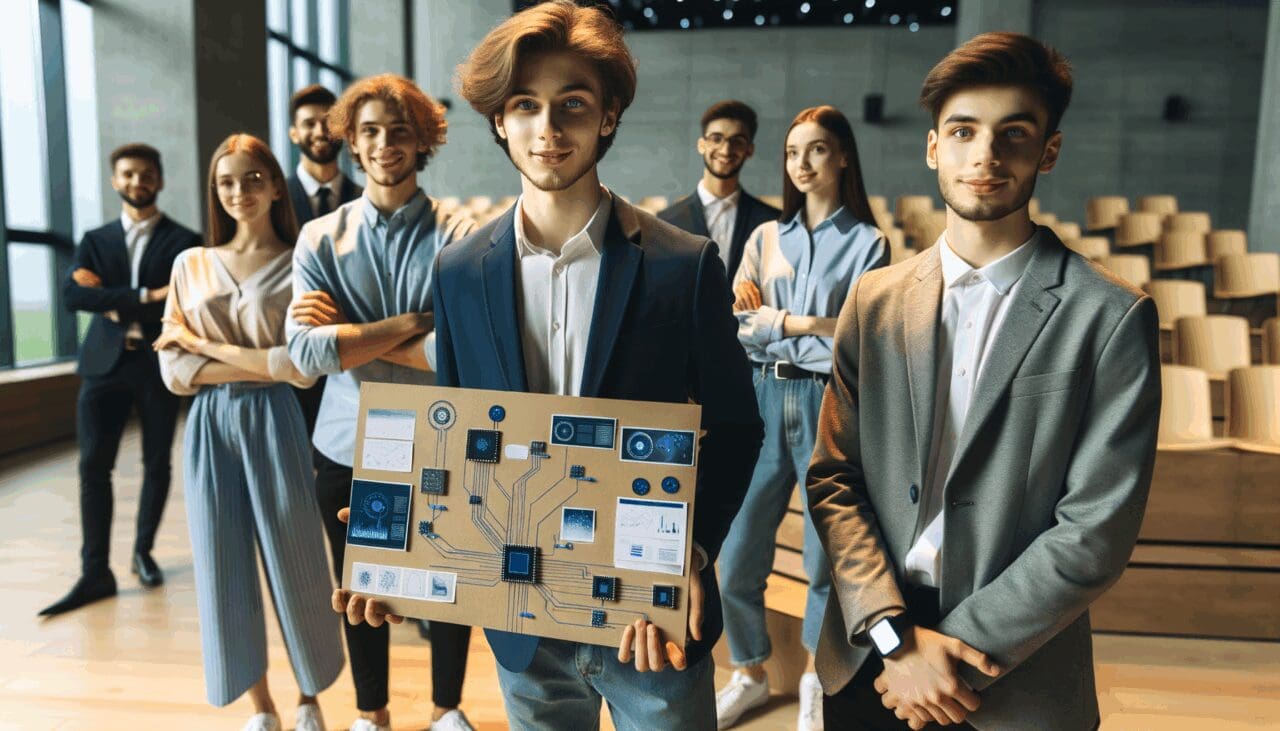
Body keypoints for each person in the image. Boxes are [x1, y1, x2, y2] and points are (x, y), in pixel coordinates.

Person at [335, 3, 763, 729]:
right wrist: (401, 546)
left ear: (608, 116)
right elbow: (459, 428)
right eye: (525, 106)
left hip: (645, 624)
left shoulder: (683, 265)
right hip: (520, 621)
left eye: (573, 104)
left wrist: (689, 552)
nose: (548, 128)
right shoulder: (461, 270)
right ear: (500, 121)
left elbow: (736, 425)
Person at [806, 32, 1161, 730]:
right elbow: (833, 479)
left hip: (1014, 671)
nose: (985, 156)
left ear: (1047, 152)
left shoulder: (1111, 316)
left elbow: (1095, 528)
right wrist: (895, 641)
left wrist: (948, 659)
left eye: (1014, 134)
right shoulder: (873, 301)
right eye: (964, 131)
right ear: (934, 146)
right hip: (873, 651)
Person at [285, 73, 477, 731]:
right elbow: (306, 357)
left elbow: (460, 353)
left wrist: (352, 336)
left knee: (445, 582)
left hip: (439, 439)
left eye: (400, 130)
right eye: (369, 130)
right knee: (358, 585)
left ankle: (448, 708)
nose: (385, 142)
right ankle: (372, 713)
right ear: (350, 141)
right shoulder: (318, 239)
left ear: (423, 138)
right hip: (347, 440)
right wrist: (410, 323)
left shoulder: (463, 232)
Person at [155, 133, 342, 731]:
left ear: (276, 185)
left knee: (298, 560)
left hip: (277, 421)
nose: (240, 192)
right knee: (220, 562)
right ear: (216, 191)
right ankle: (260, 707)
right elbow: (174, 374)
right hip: (210, 427)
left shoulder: (301, 262)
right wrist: (263, 360)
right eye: (227, 182)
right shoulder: (191, 264)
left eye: (253, 179)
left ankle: (310, 698)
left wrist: (204, 345)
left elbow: (302, 370)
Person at [719, 105, 888, 731]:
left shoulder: (869, 243)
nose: (803, 163)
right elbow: (742, 332)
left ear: (843, 156)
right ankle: (750, 672)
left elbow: (854, 336)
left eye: (817, 149)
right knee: (736, 556)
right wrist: (788, 330)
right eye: (793, 153)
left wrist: (783, 323)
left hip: (827, 402)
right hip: (764, 398)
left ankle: (817, 679)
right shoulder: (764, 238)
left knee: (823, 562)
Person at [40, 144, 201, 617]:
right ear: (116, 181)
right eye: (128, 174)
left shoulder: (185, 241)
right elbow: (72, 295)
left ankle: (143, 552)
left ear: (160, 180)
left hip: (156, 363)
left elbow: (185, 300)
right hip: (104, 366)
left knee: (157, 462)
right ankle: (95, 572)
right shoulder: (95, 239)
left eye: (146, 174)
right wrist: (146, 294)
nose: (137, 182)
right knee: (93, 466)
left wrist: (110, 299)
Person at [284, 83, 364, 439]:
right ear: (293, 132)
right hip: (288, 347)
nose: (319, 131)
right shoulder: (272, 200)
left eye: (328, 122)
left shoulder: (367, 199)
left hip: (355, 348)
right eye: (308, 123)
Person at [657, 100, 780, 281]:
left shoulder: (772, 221)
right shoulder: (666, 222)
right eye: (716, 138)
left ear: (749, 150)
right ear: (702, 145)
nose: (726, 149)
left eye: (737, 141)